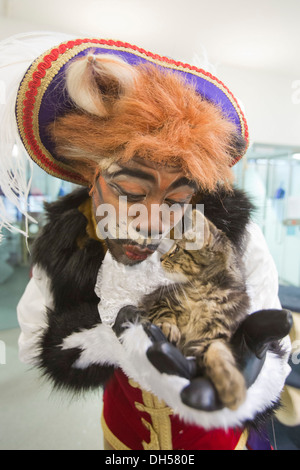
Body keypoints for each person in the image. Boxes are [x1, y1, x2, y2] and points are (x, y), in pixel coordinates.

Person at [1, 34, 292, 450]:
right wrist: (115, 340)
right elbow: (34, 344)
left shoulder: (233, 233)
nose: (151, 222)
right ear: (93, 179)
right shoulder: (70, 243)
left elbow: (271, 332)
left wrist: (251, 373)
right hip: (124, 438)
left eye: (175, 200)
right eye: (131, 194)